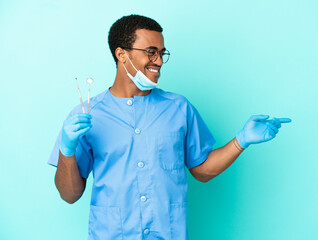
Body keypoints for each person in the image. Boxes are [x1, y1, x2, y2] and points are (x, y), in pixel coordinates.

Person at [48, 14, 292, 240]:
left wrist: (241, 141)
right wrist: (66, 150)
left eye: (162, 53)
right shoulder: (88, 114)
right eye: (151, 52)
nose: (159, 61)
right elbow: (69, 195)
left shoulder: (178, 108)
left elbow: (202, 170)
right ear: (122, 54)